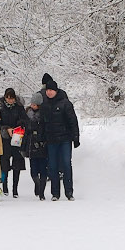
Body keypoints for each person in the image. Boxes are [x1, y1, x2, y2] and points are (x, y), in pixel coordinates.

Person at [37, 72, 80, 200]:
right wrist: (40, 138)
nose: (49, 92)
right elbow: (42, 123)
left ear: (56, 91)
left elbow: (73, 121)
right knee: (52, 166)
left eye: (51, 90)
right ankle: (55, 193)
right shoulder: (44, 105)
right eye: (48, 90)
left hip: (65, 139)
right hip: (51, 140)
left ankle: (69, 192)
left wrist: (76, 137)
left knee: (66, 164)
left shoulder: (65, 103)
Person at [0, 88, 27, 198]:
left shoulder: (19, 107)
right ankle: (5, 185)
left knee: (17, 163)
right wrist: (6, 129)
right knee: (4, 163)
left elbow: (25, 120)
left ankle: (15, 188)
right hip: (4, 138)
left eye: (12, 99)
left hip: (17, 136)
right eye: (8, 98)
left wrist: (18, 126)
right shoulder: (0, 107)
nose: (10, 101)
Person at [24, 99, 49, 199]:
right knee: (33, 169)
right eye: (32, 104)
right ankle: (37, 184)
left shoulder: (44, 114)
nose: (32, 106)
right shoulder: (27, 114)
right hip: (31, 144)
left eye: (35, 104)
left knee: (43, 169)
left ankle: (41, 192)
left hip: (42, 144)